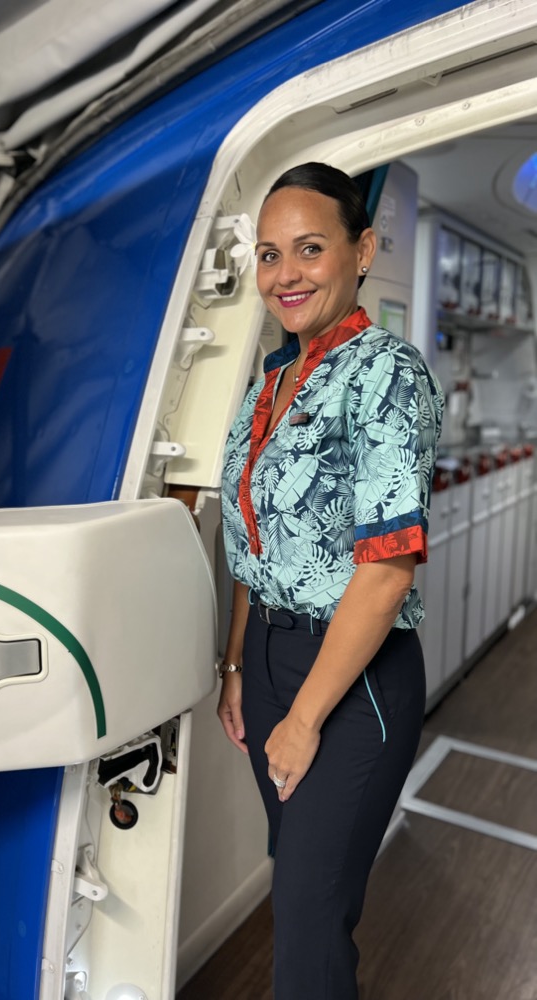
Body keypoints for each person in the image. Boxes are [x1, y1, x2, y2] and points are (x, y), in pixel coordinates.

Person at [216, 161, 443, 999]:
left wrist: (306, 716)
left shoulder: (387, 373)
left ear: (362, 250)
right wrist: (239, 664)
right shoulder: (269, 383)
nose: (286, 275)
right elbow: (253, 542)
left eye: (309, 249)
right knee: (310, 899)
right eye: (270, 256)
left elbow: (386, 571)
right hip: (272, 663)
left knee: (307, 927)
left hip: (352, 682)